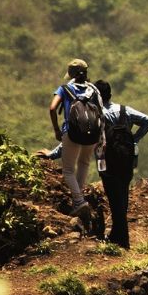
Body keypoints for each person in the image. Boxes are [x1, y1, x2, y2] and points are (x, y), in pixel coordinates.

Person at [93, 80, 148, 249]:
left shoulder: (96, 114)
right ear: (110, 96)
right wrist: (134, 139)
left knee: (114, 199)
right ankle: (117, 236)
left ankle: (122, 241)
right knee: (123, 197)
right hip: (127, 160)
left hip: (105, 162)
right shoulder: (124, 110)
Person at [48, 59, 104, 216]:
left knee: (67, 170)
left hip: (71, 133)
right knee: (84, 163)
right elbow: (100, 112)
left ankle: (79, 201)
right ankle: (79, 199)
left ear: (71, 74)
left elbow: (52, 108)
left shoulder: (65, 89)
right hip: (92, 135)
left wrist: (57, 130)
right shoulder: (93, 90)